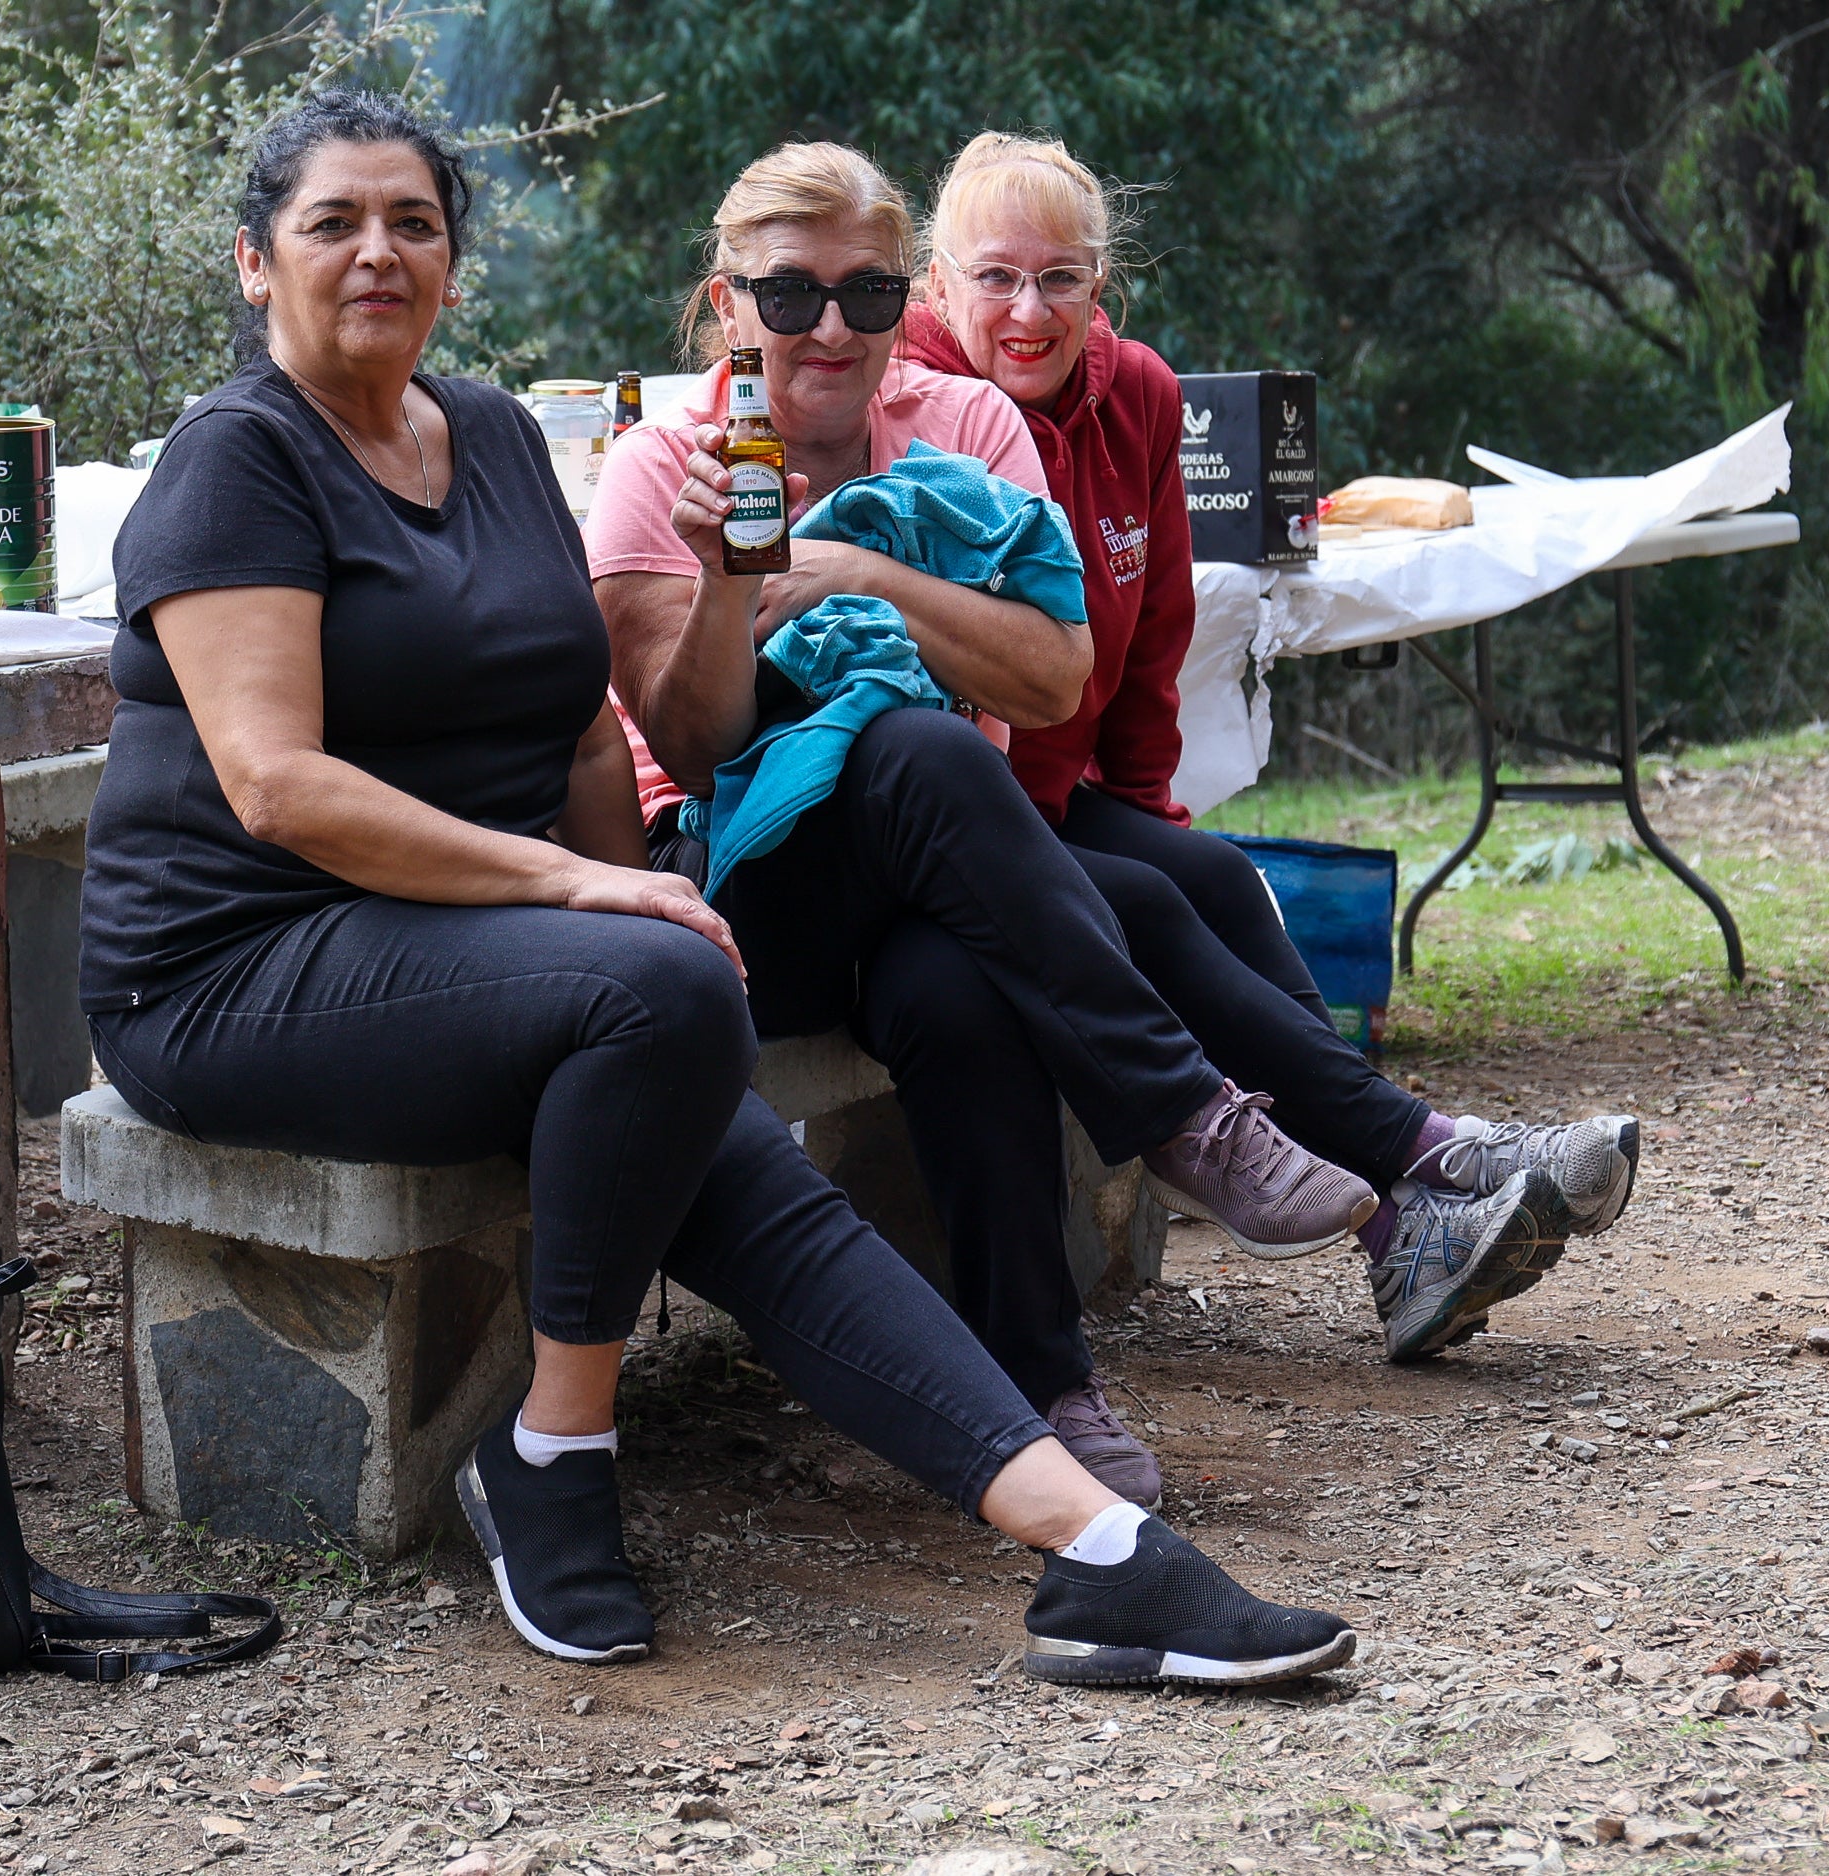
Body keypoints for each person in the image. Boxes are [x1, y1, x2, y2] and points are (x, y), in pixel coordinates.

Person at [81, 90, 1355, 1689]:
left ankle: (1100, 1553)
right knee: (664, 992)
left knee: (749, 1154)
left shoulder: (479, 436)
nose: (377, 252)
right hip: (230, 970)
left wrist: (635, 889)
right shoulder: (237, 463)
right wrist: (587, 901)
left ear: (456, 268)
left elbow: (568, 724)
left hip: (460, 939)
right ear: (256, 265)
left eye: (413, 221)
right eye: (332, 222)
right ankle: (558, 1444)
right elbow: (277, 786)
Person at [589, 144, 1409, 1505]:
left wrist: (854, 569)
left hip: (925, 878)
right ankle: (1184, 1112)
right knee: (926, 752)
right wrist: (734, 582)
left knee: (955, 977)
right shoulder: (657, 468)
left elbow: (1052, 678)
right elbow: (688, 743)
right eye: (788, 300)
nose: (831, 329)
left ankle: (1041, 1395)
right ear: (725, 306)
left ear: (902, 293)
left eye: (863, 295)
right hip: (734, 890)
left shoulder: (963, 428)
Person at [899, 131, 1640, 1387]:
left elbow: (1153, 641)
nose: (1029, 312)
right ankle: (1430, 1168)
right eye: (996, 279)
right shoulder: (916, 407)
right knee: (1140, 901)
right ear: (935, 285)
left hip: (1058, 795)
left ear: (1103, 287)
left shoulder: (1135, 394)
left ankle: (1405, 1224)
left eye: (1062, 280)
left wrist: (1151, 818)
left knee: (1213, 880)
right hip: (956, 812)